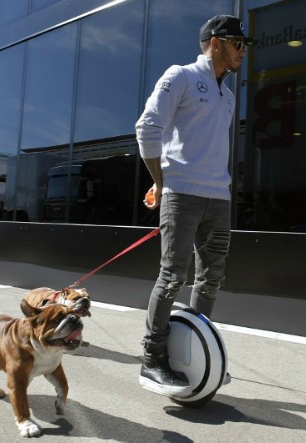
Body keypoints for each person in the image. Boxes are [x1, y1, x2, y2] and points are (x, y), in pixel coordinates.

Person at [134, 15, 255, 395]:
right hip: (182, 194)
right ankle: (152, 360)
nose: (243, 51)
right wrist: (160, 181)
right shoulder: (181, 76)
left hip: (219, 197)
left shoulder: (230, 94)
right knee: (172, 277)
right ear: (216, 42)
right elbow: (148, 127)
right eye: (239, 43)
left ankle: (195, 353)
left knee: (211, 278)